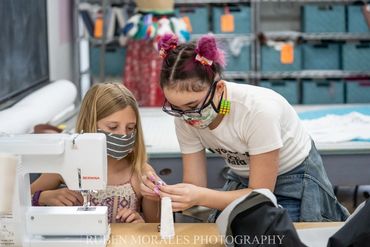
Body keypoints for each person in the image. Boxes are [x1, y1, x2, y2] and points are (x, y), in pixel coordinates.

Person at [140, 34, 349, 222]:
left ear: (219, 88)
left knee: (275, 236)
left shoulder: (258, 111)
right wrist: (163, 193)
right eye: (176, 107)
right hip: (246, 180)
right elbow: (196, 185)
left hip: (294, 177)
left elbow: (261, 195)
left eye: (193, 106)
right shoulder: (185, 116)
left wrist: (198, 196)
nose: (187, 116)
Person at [31, 83, 159, 223]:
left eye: (130, 128)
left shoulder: (141, 173)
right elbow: (15, 201)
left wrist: (140, 223)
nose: (123, 135)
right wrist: (44, 197)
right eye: (113, 127)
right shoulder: (65, 164)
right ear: (89, 123)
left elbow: (155, 228)